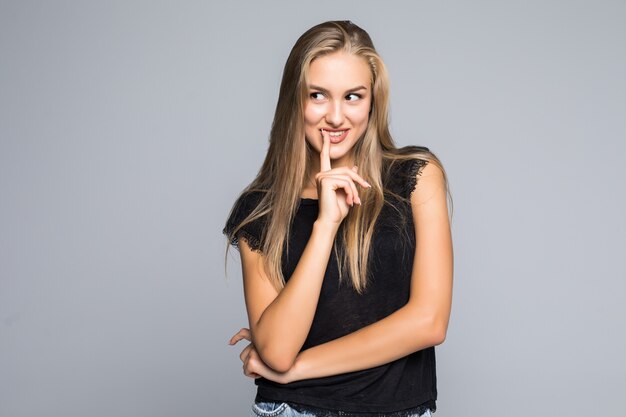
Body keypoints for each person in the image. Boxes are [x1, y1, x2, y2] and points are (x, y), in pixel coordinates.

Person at [223, 20, 453, 417]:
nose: (335, 116)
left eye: (352, 97)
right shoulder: (260, 209)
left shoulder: (415, 176)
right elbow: (276, 351)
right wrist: (326, 225)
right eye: (318, 95)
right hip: (294, 410)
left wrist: (298, 369)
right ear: (294, 101)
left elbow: (429, 322)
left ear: (372, 102)